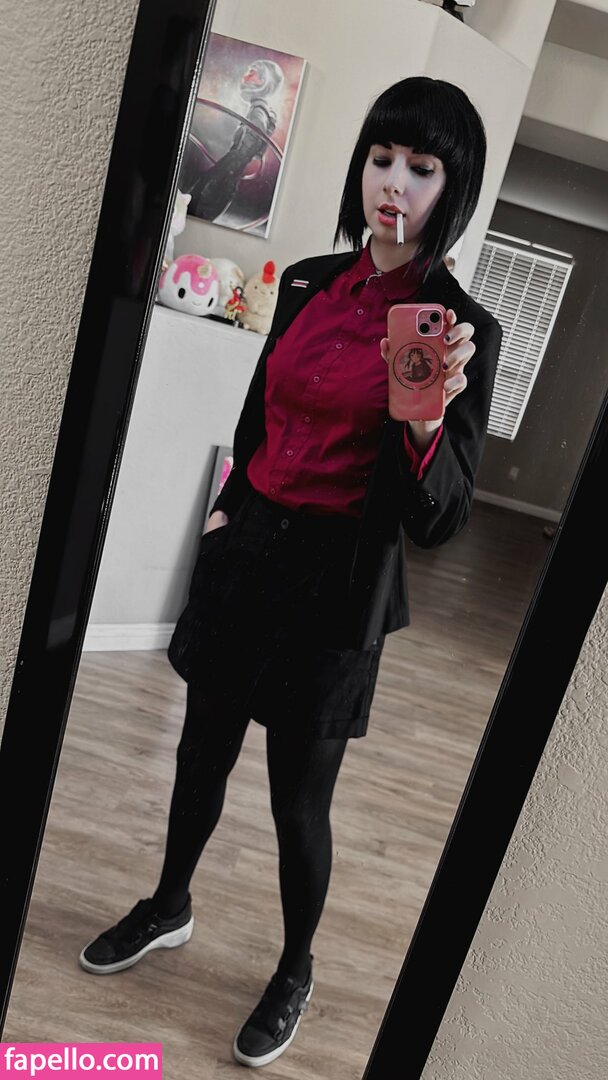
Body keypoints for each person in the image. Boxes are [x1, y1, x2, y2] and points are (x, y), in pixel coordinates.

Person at [79, 76, 502, 1068]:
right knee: (199, 755)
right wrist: (229, 505)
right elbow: (263, 410)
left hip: (335, 585)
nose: (393, 183)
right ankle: (168, 903)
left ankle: (295, 966)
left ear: (452, 187)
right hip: (249, 553)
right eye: (381, 158)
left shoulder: (452, 326)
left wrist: (424, 424)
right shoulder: (310, 283)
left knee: (295, 800)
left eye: (422, 168)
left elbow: (440, 520)